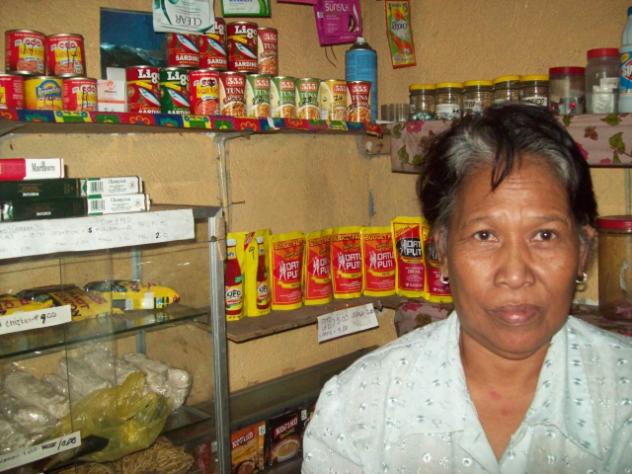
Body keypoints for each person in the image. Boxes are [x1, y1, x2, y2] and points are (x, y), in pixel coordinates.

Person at [302, 104, 632, 473]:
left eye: (544, 235)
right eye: (485, 235)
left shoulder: (623, 395)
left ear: (583, 251)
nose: (515, 274)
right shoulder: (358, 408)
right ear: (442, 252)